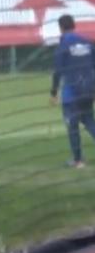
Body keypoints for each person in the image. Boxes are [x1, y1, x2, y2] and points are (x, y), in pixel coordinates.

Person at [50, 14, 95, 168]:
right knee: (89, 121)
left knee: (72, 125)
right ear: (74, 25)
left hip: (72, 92)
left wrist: (53, 92)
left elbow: (57, 71)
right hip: (88, 90)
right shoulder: (87, 43)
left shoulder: (63, 45)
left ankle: (78, 160)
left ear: (61, 28)